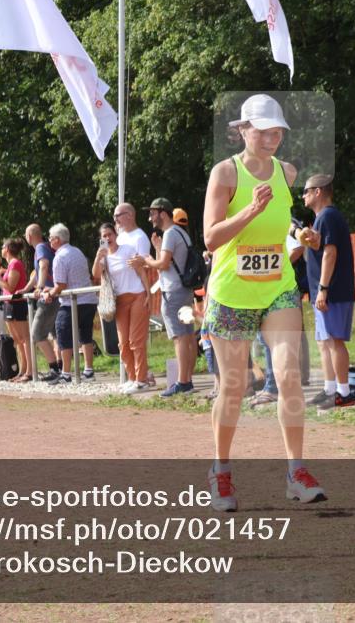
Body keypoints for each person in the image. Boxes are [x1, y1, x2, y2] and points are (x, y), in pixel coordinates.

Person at [200, 93, 325, 512]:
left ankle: (296, 471)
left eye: (278, 131)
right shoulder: (225, 173)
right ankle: (220, 472)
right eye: (265, 130)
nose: (273, 138)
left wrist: (300, 236)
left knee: (289, 373)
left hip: (278, 287)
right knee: (234, 387)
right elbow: (211, 237)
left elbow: (282, 224)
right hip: (232, 292)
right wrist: (248, 212)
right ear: (243, 129)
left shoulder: (286, 172)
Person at [299, 173, 355, 410]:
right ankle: (330, 389)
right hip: (322, 291)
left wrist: (323, 289)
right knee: (324, 341)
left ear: (318, 192)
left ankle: (344, 392)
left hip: (333, 291)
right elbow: (320, 248)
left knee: (334, 341)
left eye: (306, 191)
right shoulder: (321, 218)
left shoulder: (328, 216)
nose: (303, 195)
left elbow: (330, 253)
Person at [130, 198, 196, 396]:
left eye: (152, 213)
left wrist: (145, 260)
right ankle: (187, 380)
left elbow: (164, 264)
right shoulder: (180, 233)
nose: (150, 217)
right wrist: (156, 250)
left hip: (173, 292)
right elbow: (166, 262)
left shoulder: (170, 234)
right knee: (188, 336)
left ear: (163, 214)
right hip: (183, 290)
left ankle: (183, 382)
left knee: (179, 338)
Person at [249, 225, 306, 406]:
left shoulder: (278, 222)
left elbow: (298, 247)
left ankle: (273, 388)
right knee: (272, 343)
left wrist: (276, 269)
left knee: (272, 344)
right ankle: (277, 385)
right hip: (260, 291)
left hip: (278, 292)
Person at [92, 222, 150, 393]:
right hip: (119, 301)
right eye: (104, 236)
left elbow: (140, 271)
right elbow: (95, 274)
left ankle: (141, 379)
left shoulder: (127, 249)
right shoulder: (103, 257)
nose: (107, 238)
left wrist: (148, 293)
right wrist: (97, 257)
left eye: (110, 234)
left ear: (115, 234)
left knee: (135, 340)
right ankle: (132, 378)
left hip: (137, 295)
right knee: (123, 343)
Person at [44, 223, 98, 384]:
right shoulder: (77, 252)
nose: (49, 241)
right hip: (88, 299)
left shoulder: (59, 257)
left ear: (57, 240)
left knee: (63, 335)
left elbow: (61, 285)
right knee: (85, 335)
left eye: (50, 238)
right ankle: (88, 370)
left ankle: (66, 373)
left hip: (71, 303)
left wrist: (50, 294)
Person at [23, 224, 62, 380]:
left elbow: (43, 266)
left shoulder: (40, 248)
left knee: (37, 333)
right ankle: (60, 368)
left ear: (30, 236)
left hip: (48, 296)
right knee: (54, 334)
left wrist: (39, 287)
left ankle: (54, 369)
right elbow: (37, 273)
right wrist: (26, 289)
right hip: (54, 295)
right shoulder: (44, 247)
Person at [0, 238, 33, 382]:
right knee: (17, 340)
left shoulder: (16, 264)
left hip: (17, 304)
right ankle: (22, 371)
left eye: (2, 246)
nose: (1, 249)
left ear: (7, 249)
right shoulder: (11, 265)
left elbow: (10, 287)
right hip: (9, 304)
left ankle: (29, 372)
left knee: (24, 339)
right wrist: (1, 272)